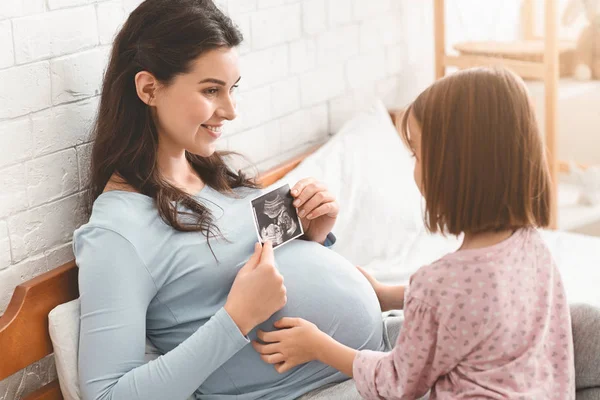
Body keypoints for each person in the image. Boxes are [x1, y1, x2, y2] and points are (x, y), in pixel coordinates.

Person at [74, 1, 386, 399]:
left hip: (373, 360)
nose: (232, 111)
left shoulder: (215, 173)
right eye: (211, 90)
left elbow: (263, 267)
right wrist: (236, 319)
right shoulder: (117, 233)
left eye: (232, 88)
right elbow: (107, 395)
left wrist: (315, 234)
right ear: (149, 88)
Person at [253, 67, 576, 399]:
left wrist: (318, 346)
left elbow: (397, 382)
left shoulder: (439, 284)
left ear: (449, 171)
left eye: (417, 155)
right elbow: (468, 305)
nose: (414, 169)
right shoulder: (534, 247)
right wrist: (388, 294)